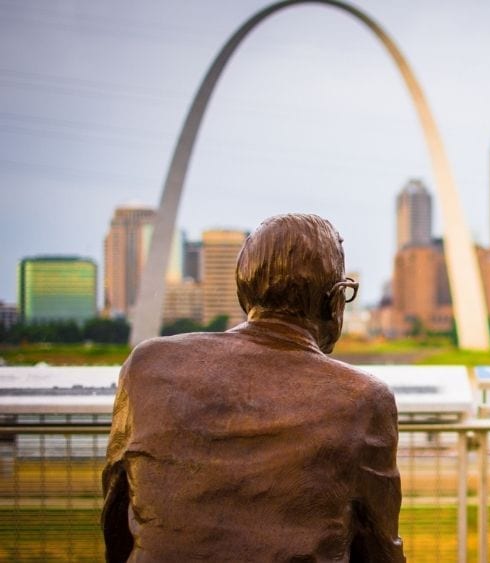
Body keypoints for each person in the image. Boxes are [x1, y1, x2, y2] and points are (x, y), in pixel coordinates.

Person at [102, 213, 405, 562]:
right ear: (333, 300)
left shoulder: (146, 365)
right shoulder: (364, 399)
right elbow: (381, 548)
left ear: (244, 291)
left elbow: (116, 515)